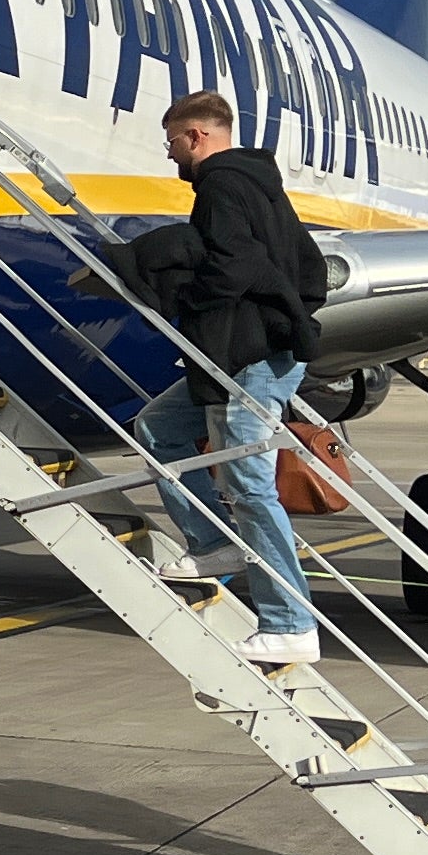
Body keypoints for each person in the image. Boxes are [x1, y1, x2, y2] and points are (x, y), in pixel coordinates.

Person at [114, 88, 333, 667]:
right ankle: (214, 544)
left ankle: (291, 623)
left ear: (196, 137)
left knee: (250, 486)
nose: (170, 157)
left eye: (172, 143)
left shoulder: (221, 186)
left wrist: (186, 295)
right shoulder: (259, 183)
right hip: (255, 353)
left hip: (250, 359)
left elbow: (232, 265)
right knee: (159, 426)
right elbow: (303, 267)